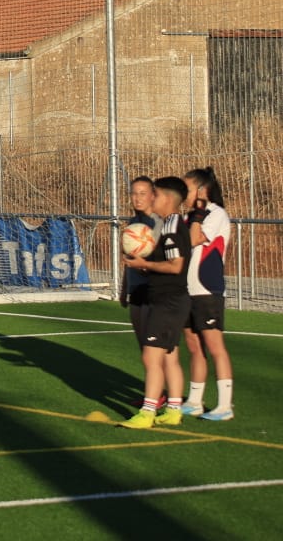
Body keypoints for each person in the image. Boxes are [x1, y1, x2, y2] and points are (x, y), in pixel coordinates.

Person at [119, 175, 192, 429]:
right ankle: (173, 410)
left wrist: (144, 264)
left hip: (168, 301)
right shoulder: (168, 224)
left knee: (152, 358)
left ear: (168, 199)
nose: (150, 198)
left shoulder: (170, 227)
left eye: (155, 194)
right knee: (169, 357)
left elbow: (176, 266)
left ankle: (148, 412)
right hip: (166, 298)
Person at [180, 165, 235, 421]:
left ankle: (225, 406)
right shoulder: (189, 216)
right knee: (193, 346)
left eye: (187, 188)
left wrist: (198, 215)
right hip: (187, 290)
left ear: (202, 190)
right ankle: (194, 401)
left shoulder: (216, 214)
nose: (183, 193)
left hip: (207, 289)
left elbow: (194, 240)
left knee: (215, 346)